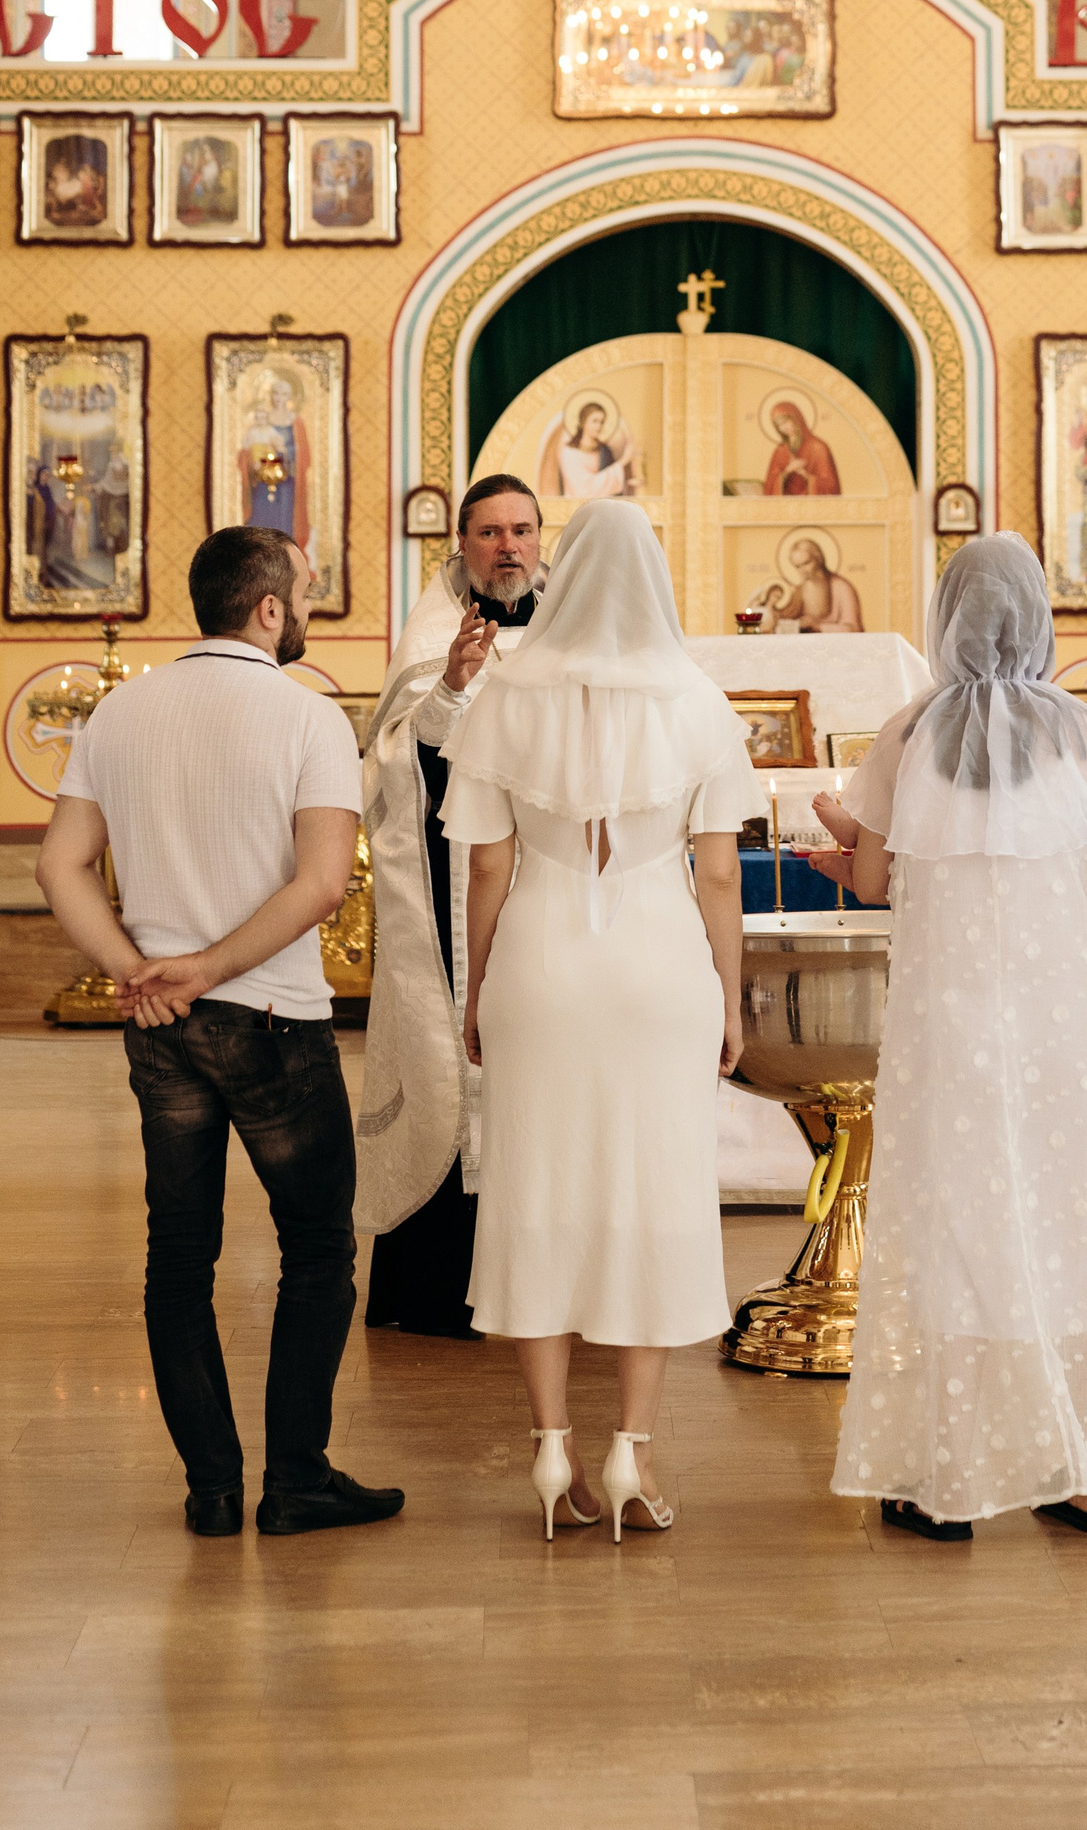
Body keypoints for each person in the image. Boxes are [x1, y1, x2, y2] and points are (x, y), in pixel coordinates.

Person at [810, 535, 1087, 1542]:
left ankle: (947, 1478)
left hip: (949, 1027)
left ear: (948, 618)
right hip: (1061, 1025)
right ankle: (1082, 1476)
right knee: (1069, 1215)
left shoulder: (909, 733)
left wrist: (846, 846)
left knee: (958, 1222)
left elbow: (871, 880)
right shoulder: (1084, 731)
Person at [35, 527, 403, 1540]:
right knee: (318, 1249)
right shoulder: (308, 715)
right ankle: (296, 1481)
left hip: (162, 1026)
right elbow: (322, 884)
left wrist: (137, 969)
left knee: (179, 1256)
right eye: (307, 593)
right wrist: (211, 967)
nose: (310, 608)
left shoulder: (121, 710)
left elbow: (59, 865)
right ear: (270, 608)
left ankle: (211, 1490)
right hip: (274, 1016)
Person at [444, 500, 755, 1539]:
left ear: (563, 572)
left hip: (538, 960)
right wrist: (730, 996)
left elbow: (486, 869)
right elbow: (720, 876)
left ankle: (550, 1447)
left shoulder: (504, 695)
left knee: (535, 1187)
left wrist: (478, 989)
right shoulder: (697, 700)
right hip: (660, 965)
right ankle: (633, 1450)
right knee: (654, 1188)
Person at [357, 475, 546, 1339]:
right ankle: (441, 1285)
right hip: (452, 878)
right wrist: (453, 687)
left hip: (551, 877)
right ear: (461, 544)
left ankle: (549, 1281)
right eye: (490, 533)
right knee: (453, 1059)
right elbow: (401, 758)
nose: (508, 547)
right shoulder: (435, 634)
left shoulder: (571, 625)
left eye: (521, 530)